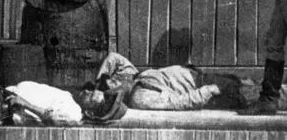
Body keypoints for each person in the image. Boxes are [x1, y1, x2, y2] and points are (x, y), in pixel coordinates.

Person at [92, 52, 246, 110]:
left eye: (112, 79)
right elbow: (177, 102)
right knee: (247, 94)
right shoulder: (139, 97)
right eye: (113, 84)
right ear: (117, 97)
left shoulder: (131, 77)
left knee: (245, 82)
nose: (115, 79)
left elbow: (113, 57)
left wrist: (98, 85)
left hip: (199, 76)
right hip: (205, 91)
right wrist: (209, 90)